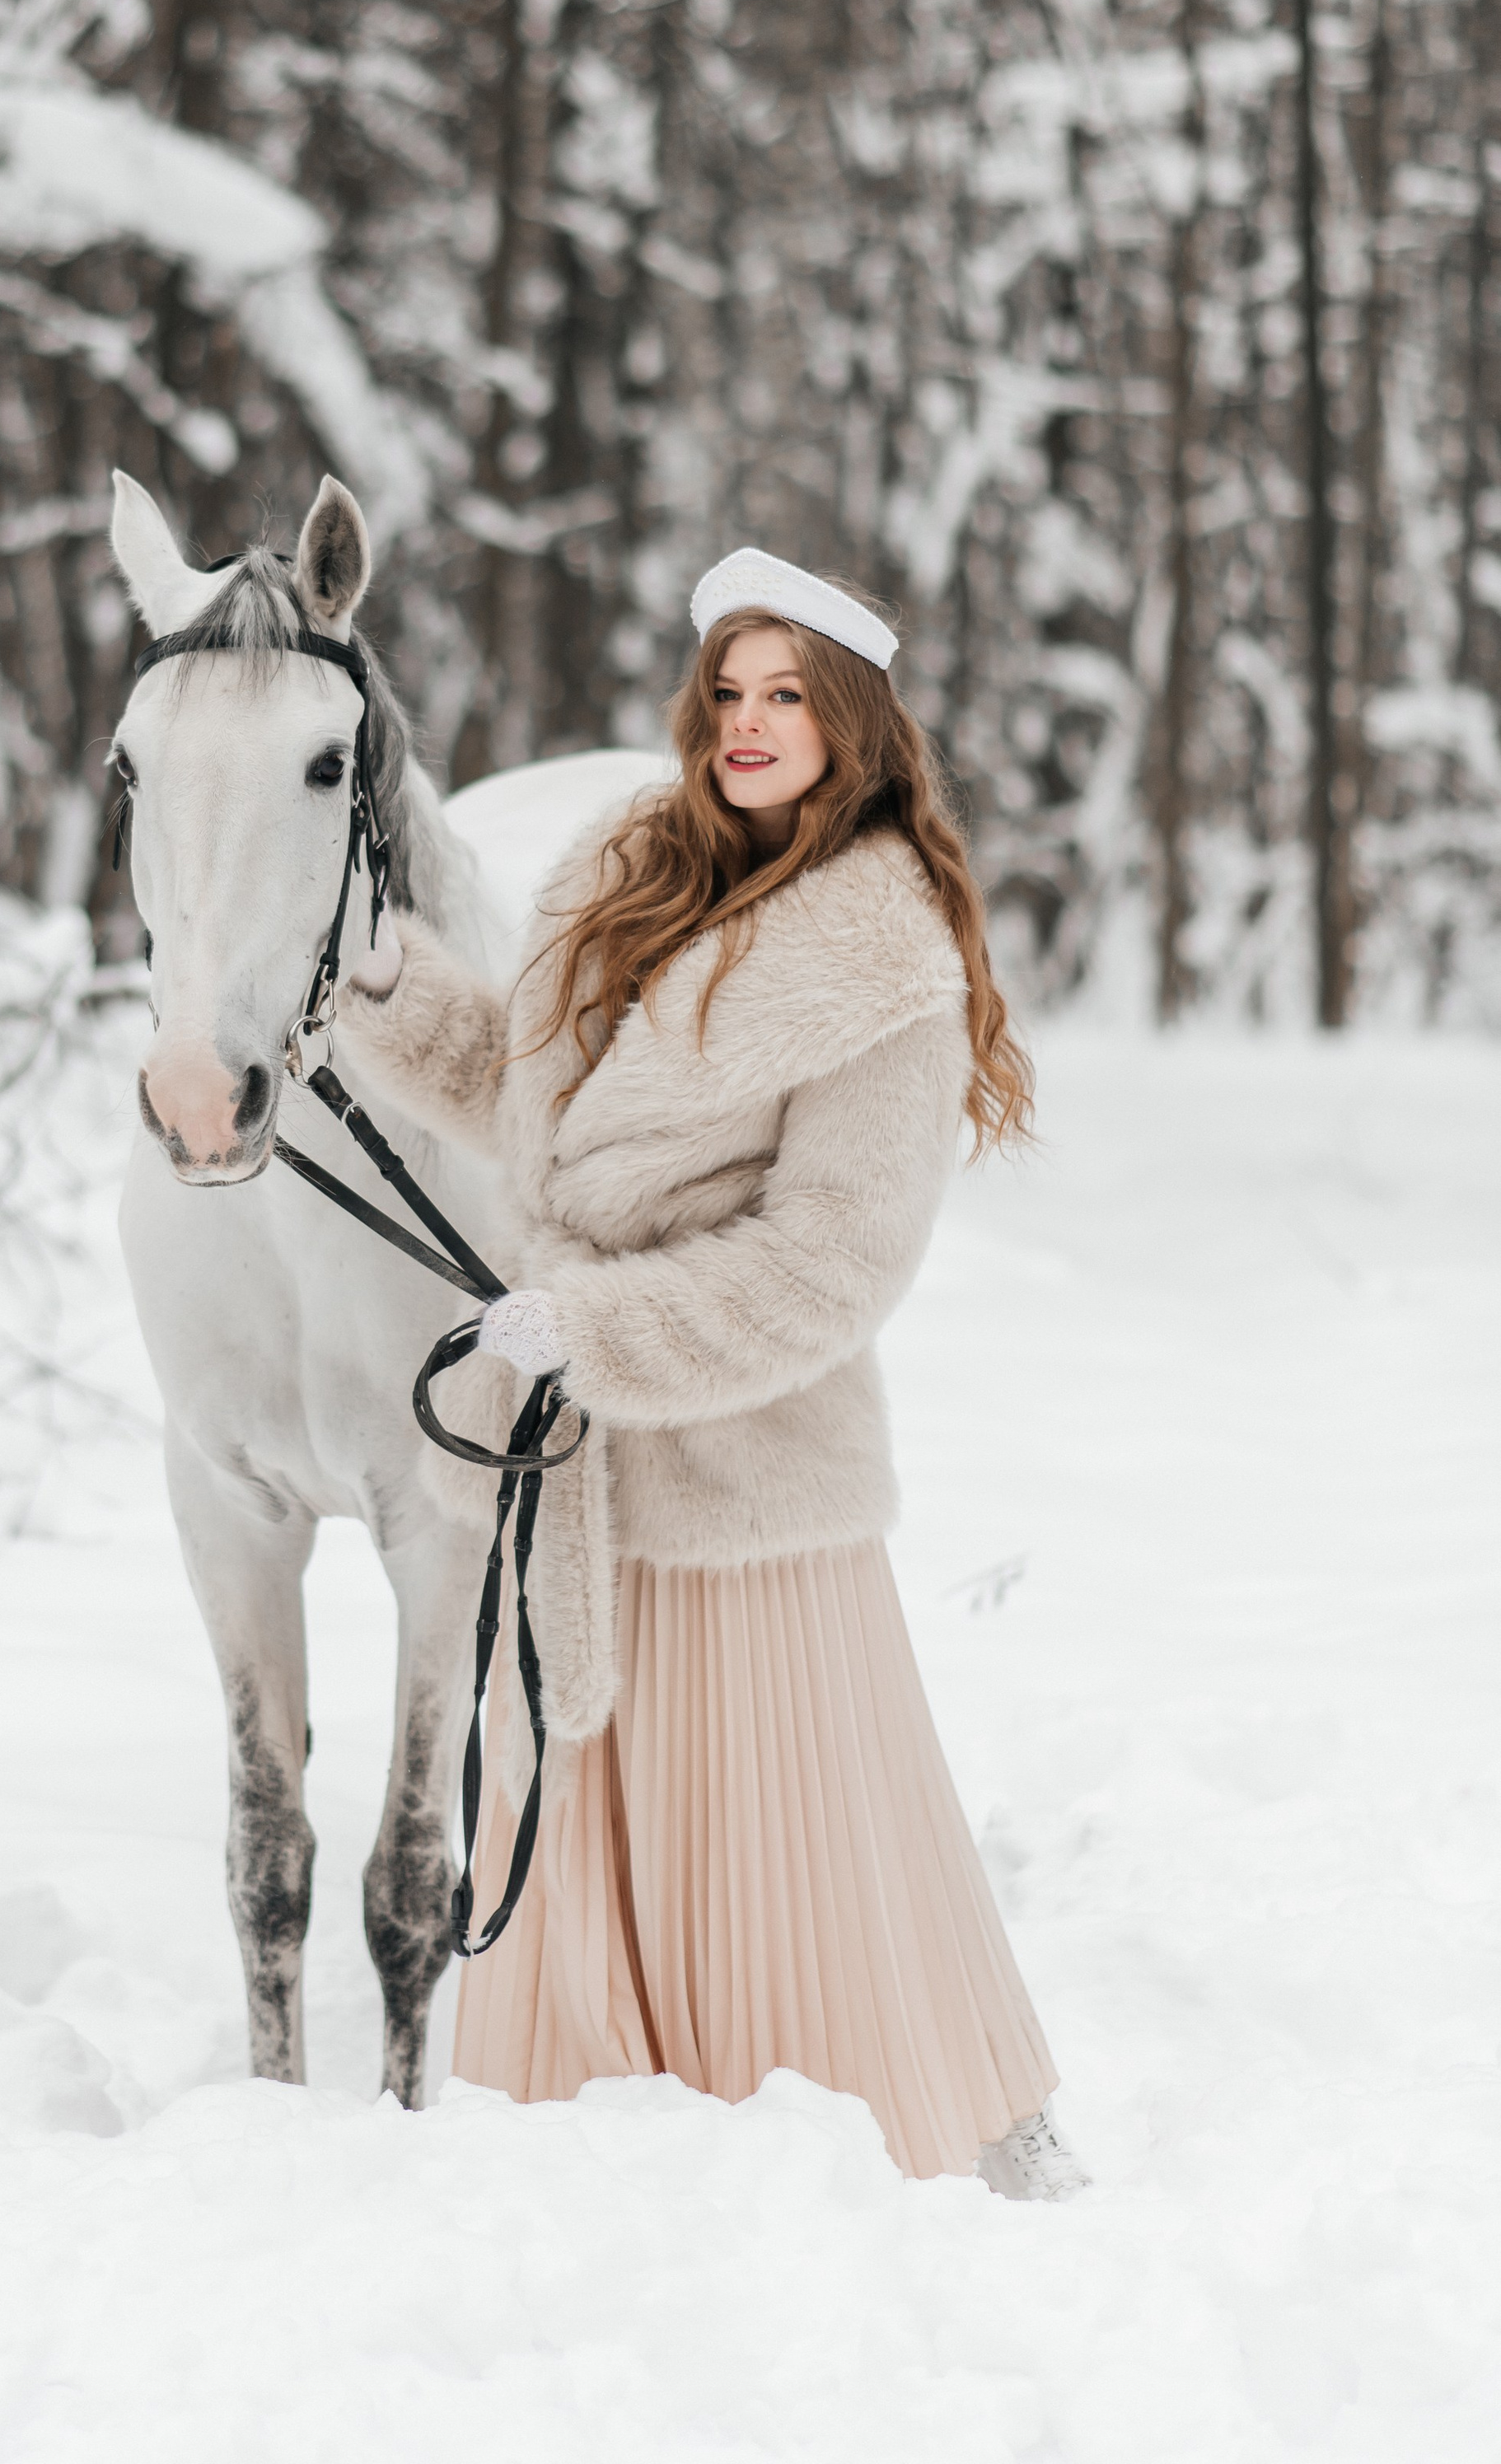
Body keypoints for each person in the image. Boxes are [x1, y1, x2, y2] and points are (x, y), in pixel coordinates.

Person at [339, 548, 1087, 2200]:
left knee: (793, 1849)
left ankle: (845, 2159)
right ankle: (597, 2171)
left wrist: (586, 1335)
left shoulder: (882, 962)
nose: (747, 725)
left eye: (788, 697)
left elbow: (828, 1267)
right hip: (578, 1487)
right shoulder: (633, 876)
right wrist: (386, 1003)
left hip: (750, 1495)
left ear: (855, 726)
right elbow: (551, 1132)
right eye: (728, 692)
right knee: (581, 1819)